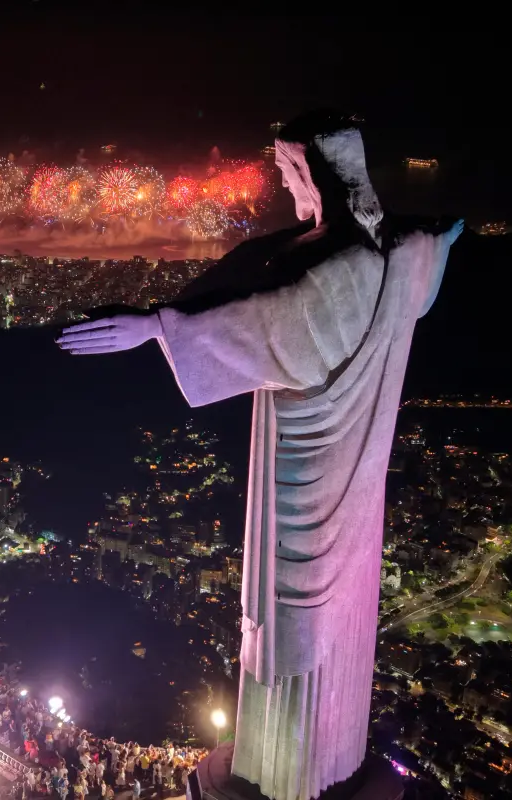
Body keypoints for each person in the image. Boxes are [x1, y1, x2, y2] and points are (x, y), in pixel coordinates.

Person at [58, 110, 462, 800]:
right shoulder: (400, 253)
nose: (280, 177)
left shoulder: (337, 268)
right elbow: (432, 248)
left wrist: (153, 326)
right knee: (333, 620)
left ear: (314, 170)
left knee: (286, 622)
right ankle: (323, 758)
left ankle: (289, 775)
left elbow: (267, 319)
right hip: (359, 484)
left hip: (303, 470)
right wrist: (444, 234)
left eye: (285, 166)